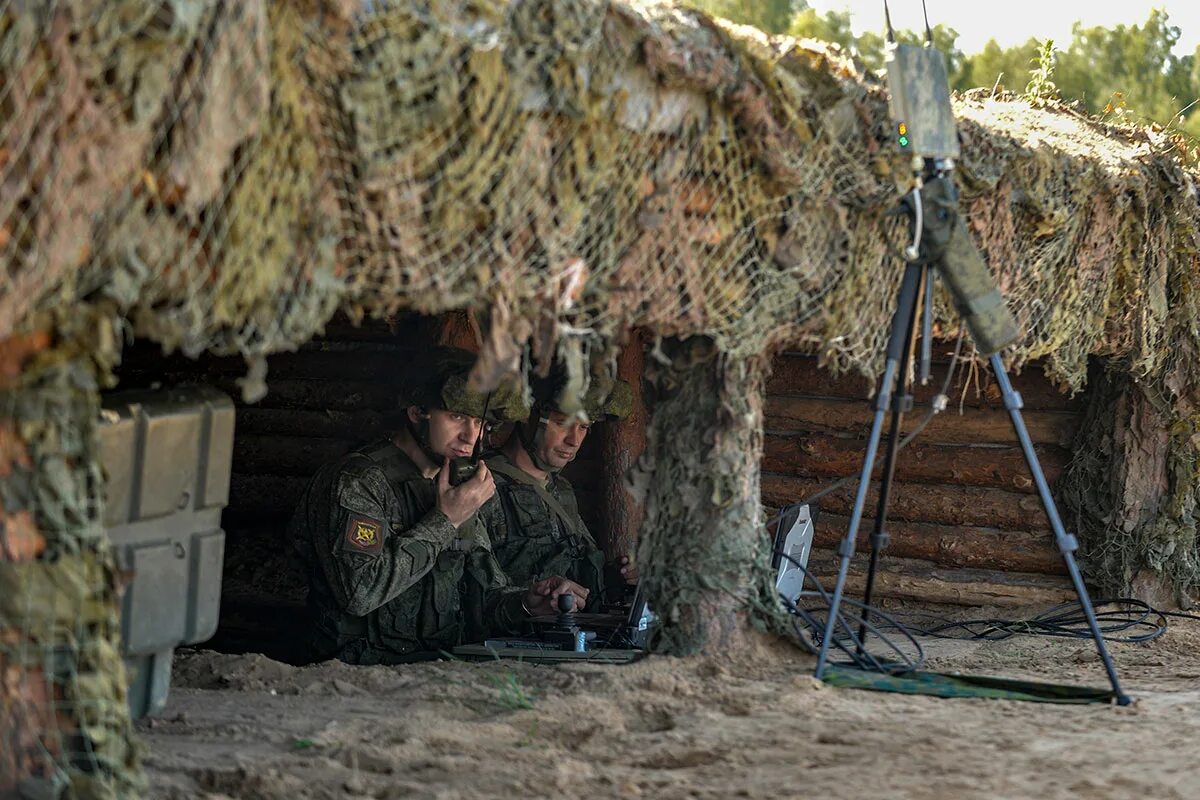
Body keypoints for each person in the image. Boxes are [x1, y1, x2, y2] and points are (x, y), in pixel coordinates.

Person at [288, 346, 588, 664]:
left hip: (435, 668)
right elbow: (359, 594)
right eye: (457, 416)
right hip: (354, 673)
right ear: (418, 412)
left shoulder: (456, 486)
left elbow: (483, 599)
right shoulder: (357, 481)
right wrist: (445, 520)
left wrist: (528, 603)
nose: (470, 437)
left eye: (480, 422)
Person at [481, 366, 635, 611]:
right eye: (562, 423)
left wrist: (619, 578)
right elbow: (473, 598)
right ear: (527, 418)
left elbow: (576, 572)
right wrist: (527, 603)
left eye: (584, 427)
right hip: (510, 645)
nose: (573, 440)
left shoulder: (560, 490)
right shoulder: (483, 486)